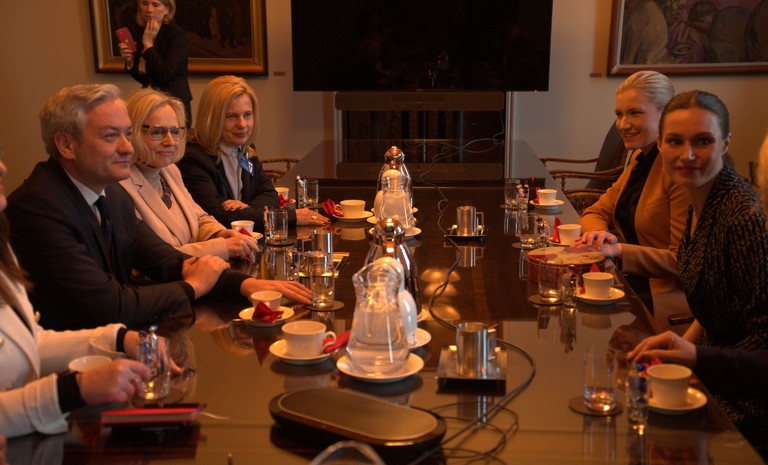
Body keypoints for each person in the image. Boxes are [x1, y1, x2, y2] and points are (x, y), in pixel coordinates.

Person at [6, 84, 310, 331]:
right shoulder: (37, 208)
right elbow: (112, 304)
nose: (127, 147)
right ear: (66, 145)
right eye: (111, 136)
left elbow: (166, 260)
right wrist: (192, 287)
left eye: (127, 134)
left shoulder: (110, 192)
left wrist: (249, 284)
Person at [633, 91, 768, 459]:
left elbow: (763, 338)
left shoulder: (744, 218)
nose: (687, 154)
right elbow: (714, 307)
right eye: (675, 141)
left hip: (746, 402)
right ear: (660, 144)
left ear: (725, 144)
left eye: (703, 141)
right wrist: (676, 345)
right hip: (716, 371)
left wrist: (695, 359)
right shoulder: (700, 199)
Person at [0, 147, 156, 438]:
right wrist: (73, 390)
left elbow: (29, 341)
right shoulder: (37, 204)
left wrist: (119, 338)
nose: (3, 168)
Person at [577, 70, 690, 326]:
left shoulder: (680, 170)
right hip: (630, 280)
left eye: (635, 113)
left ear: (667, 114)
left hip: (664, 299)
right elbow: (595, 212)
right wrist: (599, 236)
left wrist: (618, 251)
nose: (623, 124)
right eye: (619, 114)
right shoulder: (641, 157)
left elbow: (683, 261)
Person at [120, 88, 258, 260]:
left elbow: (198, 218)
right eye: (157, 132)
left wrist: (220, 233)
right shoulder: (119, 187)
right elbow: (157, 259)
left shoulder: (169, 170)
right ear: (131, 132)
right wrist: (221, 247)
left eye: (175, 131)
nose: (170, 141)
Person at [177, 75, 327, 230]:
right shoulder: (193, 158)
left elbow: (270, 195)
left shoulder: (246, 149)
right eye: (231, 116)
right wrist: (288, 216)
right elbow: (219, 216)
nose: (242, 124)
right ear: (211, 118)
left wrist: (247, 209)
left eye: (247, 114)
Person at [118, 0, 193, 126]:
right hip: (149, 102)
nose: (149, 9)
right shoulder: (140, 32)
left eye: (155, 4)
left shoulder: (176, 34)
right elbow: (145, 78)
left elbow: (165, 75)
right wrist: (130, 62)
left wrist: (148, 44)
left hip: (174, 102)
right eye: (144, 3)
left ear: (167, 9)